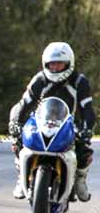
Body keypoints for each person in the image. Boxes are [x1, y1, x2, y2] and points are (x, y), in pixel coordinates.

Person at [9, 42, 95, 200]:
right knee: (18, 142)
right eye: (51, 64)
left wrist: (87, 129)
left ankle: (80, 180)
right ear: (45, 64)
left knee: (84, 149)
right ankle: (21, 178)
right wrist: (15, 123)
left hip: (69, 125)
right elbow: (23, 104)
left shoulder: (79, 82)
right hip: (41, 122)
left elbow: (87, 110)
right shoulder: (39, 80)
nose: (55, 68)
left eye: (59, 64)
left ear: (69, 63)